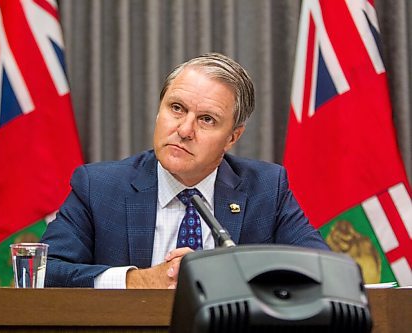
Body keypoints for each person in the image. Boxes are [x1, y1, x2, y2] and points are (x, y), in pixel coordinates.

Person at [40, 52, 329, 289]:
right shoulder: (99, 187)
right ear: (158, 111)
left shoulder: (265, 188)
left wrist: (232, 281)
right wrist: (136, 281)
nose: (185, 130)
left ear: (233, 137)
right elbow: (45, 272)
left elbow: (323, 272)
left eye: (206, 119)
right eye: (176, 108)